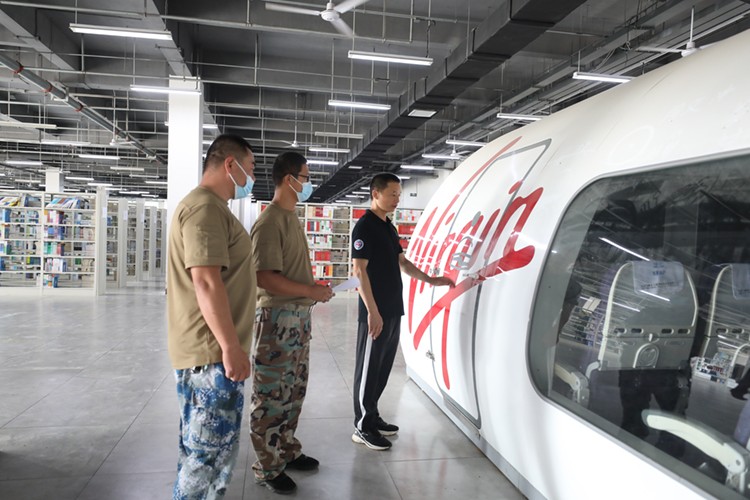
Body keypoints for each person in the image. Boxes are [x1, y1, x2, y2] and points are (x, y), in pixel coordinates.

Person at [167, 134, 257, 499]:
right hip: (211, 354)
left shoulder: (213, 208)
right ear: (230, 165)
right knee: (205, 457)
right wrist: (230, 346)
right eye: (250, 168)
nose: (252, 178)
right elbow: (205, 281)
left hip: (212, 352)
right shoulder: (204, 209)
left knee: (213, 455)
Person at [249, 152, 334, 493]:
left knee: (293, 391)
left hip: (298, 319)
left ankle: (285, 449)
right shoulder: (270, 222)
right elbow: (264, 277)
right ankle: (267, 467)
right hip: (277, 321)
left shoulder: (290, 217)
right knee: (270, 396)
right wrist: (310, 290)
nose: (309, 183)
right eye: (306, 177)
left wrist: (312, 290)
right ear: (290, 179)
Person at [350, 172, 455, 450]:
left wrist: (432, 280)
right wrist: (372, 311)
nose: (397, 199)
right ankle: (362, 427)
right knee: (368, 369)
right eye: (392, 194)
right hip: (375, 311)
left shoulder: (388, 227)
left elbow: (403, 262)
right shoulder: (365, 227)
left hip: (393, 308)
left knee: (382, 367)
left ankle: (372, 416)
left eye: (399, 194)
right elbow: (359, 271)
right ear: (375, 194)